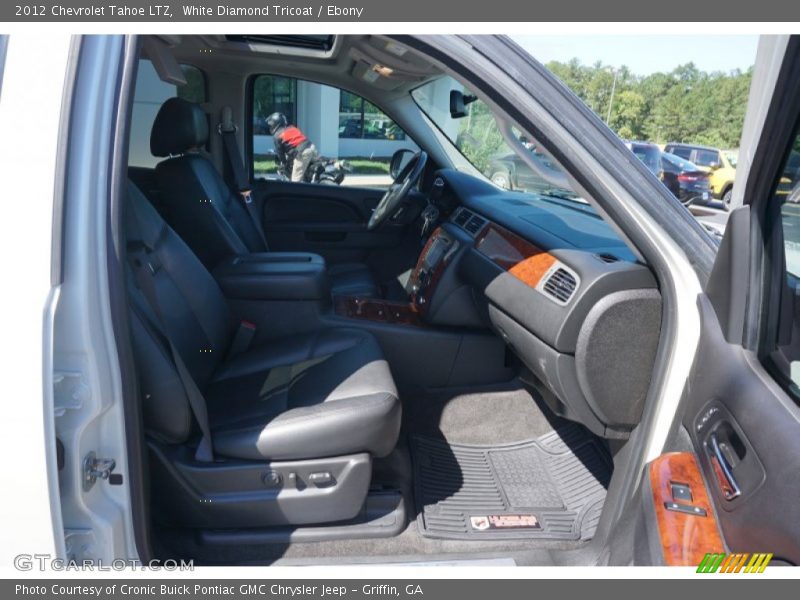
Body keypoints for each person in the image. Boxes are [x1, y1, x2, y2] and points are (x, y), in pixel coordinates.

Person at [266, 112, 320, 182]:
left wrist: (284, 164)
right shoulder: (292, 128)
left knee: (295, 182)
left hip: (303, 153)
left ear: (276, 124)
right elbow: (298, 141)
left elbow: (280, 153)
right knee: (319, 165)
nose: (270, 127)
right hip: (312, 147)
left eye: (271, 125)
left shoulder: (277, 136)